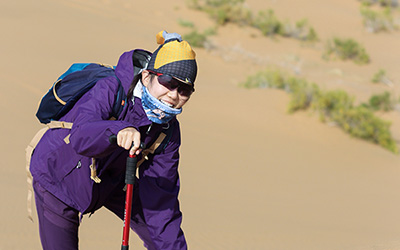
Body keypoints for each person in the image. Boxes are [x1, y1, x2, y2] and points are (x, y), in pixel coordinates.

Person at [29, 30, 197, 250]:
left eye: (184, 90)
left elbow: (161, 199)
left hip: (113, 180)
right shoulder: (111, 89)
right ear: (147, 77)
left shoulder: (167, 129)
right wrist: (119, 130)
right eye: (168, 82)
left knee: (163, 238)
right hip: (57, 176)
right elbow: (82, 136)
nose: (174, 95)